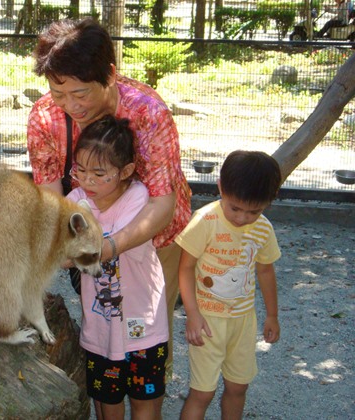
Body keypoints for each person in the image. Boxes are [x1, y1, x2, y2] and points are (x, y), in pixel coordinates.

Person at [27, 18, 192, 380]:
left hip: (153, 241)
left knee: (146, 339)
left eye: (81, 93)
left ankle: (148, 393)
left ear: (110, 74)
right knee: (102, 330)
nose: (70, 105)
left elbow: (162, 204)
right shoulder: (44, 117)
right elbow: (51, 196)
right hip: (90, 234)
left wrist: (108, 246)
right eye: (58, 93)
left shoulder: (148, 112)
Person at [66, 115, 169, 420]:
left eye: (99, 174)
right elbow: (62, 255)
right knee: (106, 403)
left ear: (125, 171)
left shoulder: (138, 198)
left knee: (144, 403)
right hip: (100, 329)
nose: (87, 181)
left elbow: (92, 248)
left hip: (143, 326)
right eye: (80, 170)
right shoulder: (77, 199)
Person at [175, 150, 282, 420]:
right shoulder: (206, 221)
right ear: (221, 187)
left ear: (269, 202)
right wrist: (192, 314)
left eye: (254, 211)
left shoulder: (263, 229)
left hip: (243, 321)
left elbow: (266, 270)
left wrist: (272, 315)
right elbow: (186, 268)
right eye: (235, 208)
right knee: (202, 393)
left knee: (238, 387)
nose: (242, 218)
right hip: (208, 321)